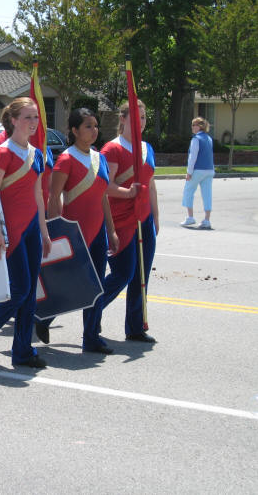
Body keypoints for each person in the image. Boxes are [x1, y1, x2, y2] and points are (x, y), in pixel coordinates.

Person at [0, 98, 52, 368]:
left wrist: (44, 231)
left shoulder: (37, 154)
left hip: (31, 227)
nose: (33, 123)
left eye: (36, 118)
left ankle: (22, 350)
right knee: (19, 291)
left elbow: (38, 195)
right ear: (14, 120)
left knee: (30, 292)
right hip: (12, 230)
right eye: (28, 117)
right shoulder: (4, 152)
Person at [38, 108, 119, 353]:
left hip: (98, 233)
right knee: (67, 284)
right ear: (74, 131)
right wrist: (55, 231)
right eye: (88, 126)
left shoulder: (99, 158)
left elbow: (103, 197)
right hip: (75, 233)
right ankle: (40, 318)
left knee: (95, 287)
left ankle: (91, 336)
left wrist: (111, 230)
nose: (94, 131)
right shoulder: (66, 159)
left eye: (95, 126)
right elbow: (54, 198)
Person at [97, 100, 158, 343]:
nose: (140, 122)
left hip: (144, 217)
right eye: (135, 117)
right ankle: (91, 308)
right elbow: (105, 187)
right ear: (122, 119)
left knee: (141, 277)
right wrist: (128, 193)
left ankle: (135, 327)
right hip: (120, 218)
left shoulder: (147, 148)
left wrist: (155, 217)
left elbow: (151, 184)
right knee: (123, 273)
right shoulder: (112, 149)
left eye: (143, 118)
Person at [181, 117, 214, 229]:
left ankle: (190, 217)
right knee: (207, 194)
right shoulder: (209, 138)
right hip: (209, 170)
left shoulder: (196, 139)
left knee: (188, 191)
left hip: (197, 170)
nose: (192, 127)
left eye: (193, 125)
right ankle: (207, 220)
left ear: (199, 126)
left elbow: (192, 157)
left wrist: (189, 172)